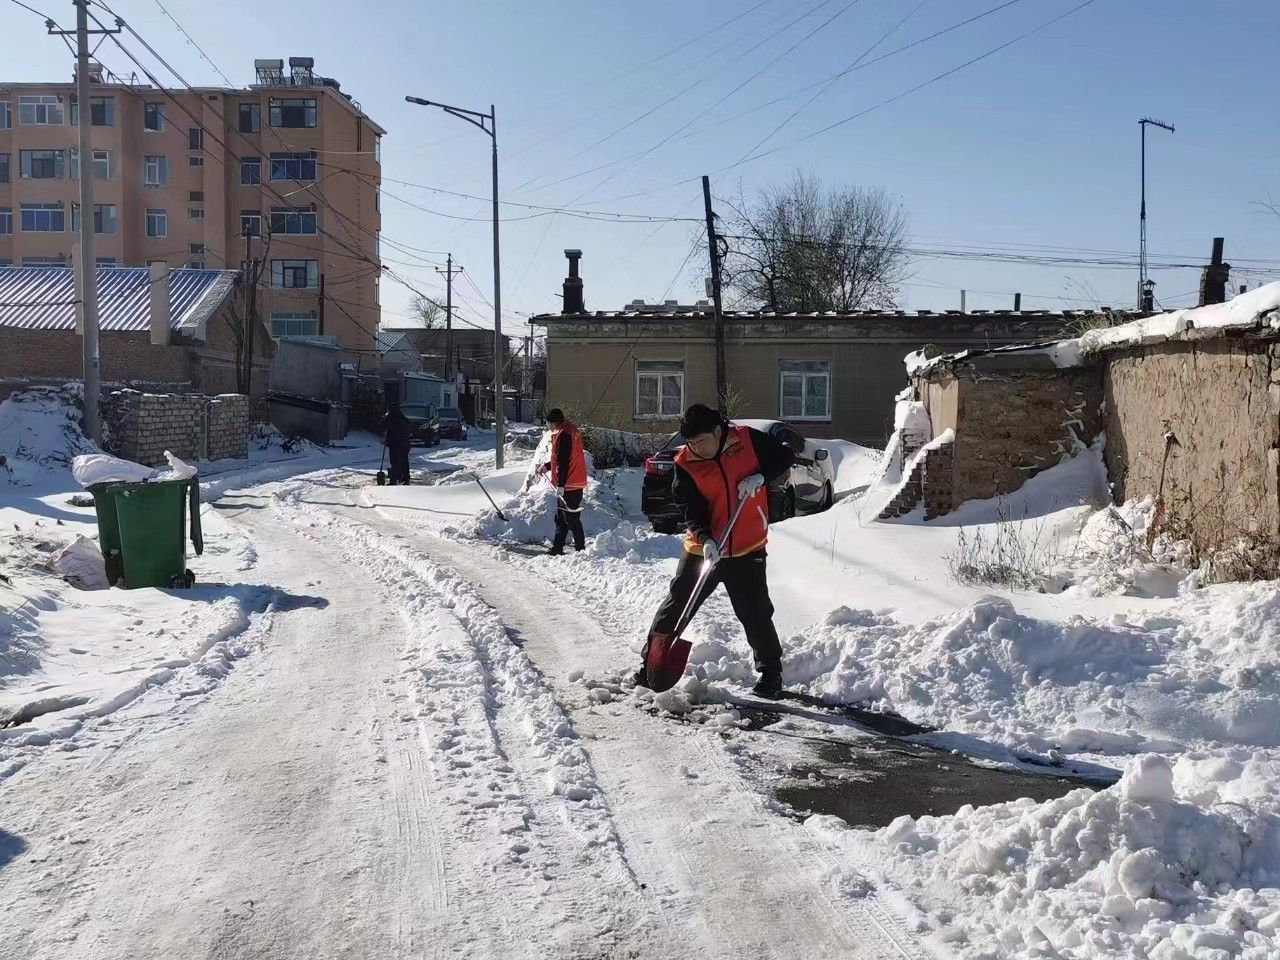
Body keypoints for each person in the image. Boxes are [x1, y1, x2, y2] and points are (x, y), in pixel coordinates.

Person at [637, 404, 795, 699]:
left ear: (718, 432)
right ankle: (652, 664)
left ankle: (771, 673)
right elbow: (689, 508)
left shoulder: (747, 440)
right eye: (691, 443)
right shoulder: (685, 463)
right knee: (677, 604)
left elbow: (785, 457)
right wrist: (706, 538)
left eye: (702, 441)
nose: (696, 448)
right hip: (703, 549)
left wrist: (761, 476)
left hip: (747, 547)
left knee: (755, 611)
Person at [536, 408, 588, 555]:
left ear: (554, 422)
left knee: (571, 518)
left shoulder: (564, 434)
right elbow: (561, 458)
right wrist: (546, 466)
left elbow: (563, 462)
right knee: (561, 518)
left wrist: (561, 485)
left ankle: (580, 550)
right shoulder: (569, 430)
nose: (548, 426)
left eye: (548, 423)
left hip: (569, 483)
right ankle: (557, 548)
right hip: (572, 481)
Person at [383, 403, 413, 486]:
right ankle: (405, 479)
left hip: (395, 444)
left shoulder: (392, 419)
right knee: (404, 461)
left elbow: (384, 425)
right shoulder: (403, 419)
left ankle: (394, 479)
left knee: (395, 462)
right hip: (405, 444)